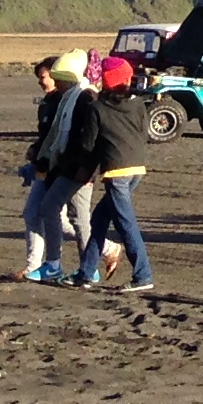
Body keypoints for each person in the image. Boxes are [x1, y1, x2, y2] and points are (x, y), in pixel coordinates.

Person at [73, 56, 157, 293]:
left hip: (116, 172)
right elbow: (144, 134)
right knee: (99, 219)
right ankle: (86, 273)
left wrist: (83, 171)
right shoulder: (138, 104)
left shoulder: (96, 108)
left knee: (126, 223)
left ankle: (143, 275)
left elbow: (88, 146)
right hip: (137, 168)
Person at [19, 53, 85, 284]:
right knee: (38, 214)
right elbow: (46, 136)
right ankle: (36, 265)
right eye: (40, 78)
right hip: (44, 166)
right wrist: (34, 154)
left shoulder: (70, 100)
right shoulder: (48, 103)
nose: (42, 82)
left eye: (45, 77)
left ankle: (99, 251)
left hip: (61, 168)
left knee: (58, 216)